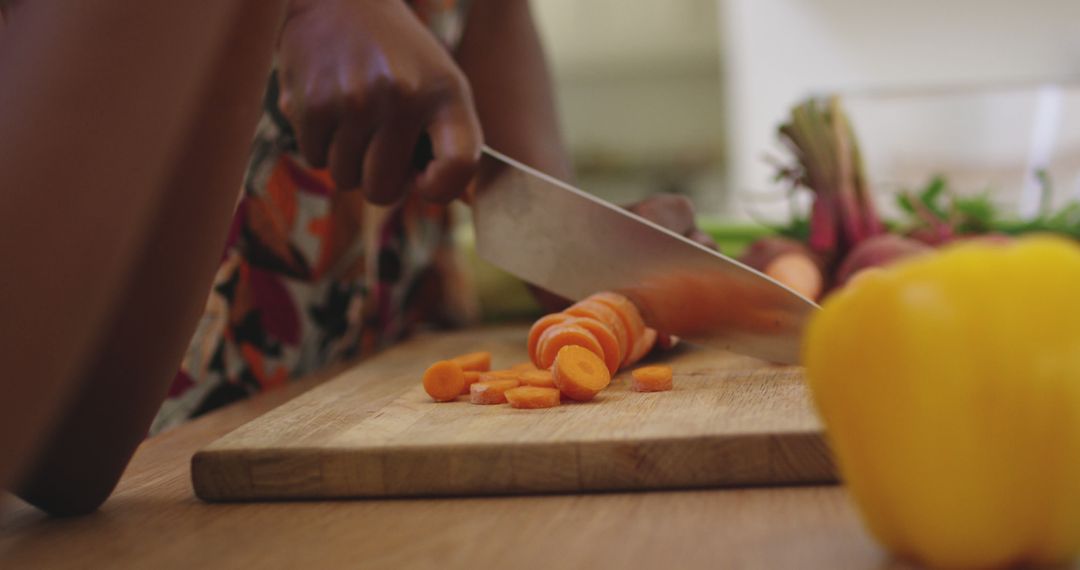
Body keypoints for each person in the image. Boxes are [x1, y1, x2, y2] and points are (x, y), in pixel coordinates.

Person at [0, 0, 715, 516]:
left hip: (390, 375)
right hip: (192, 390)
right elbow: (60, 465)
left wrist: (573, 248)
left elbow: (495, 16)